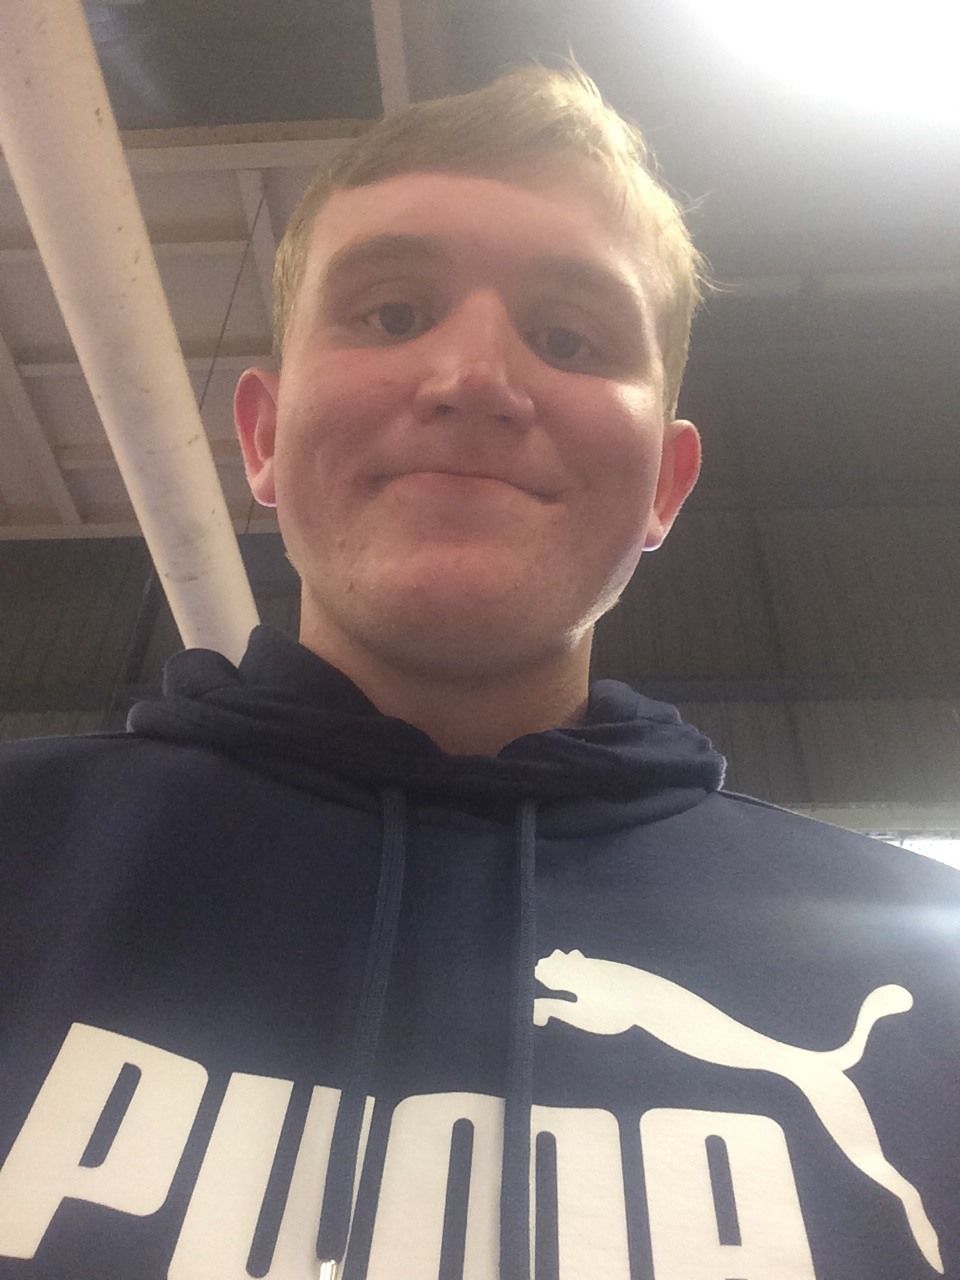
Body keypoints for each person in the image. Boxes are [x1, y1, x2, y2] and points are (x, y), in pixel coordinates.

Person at [0, 64, 956, 1280]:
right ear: (264, 437)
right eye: (393, 313)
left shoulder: (934, 974)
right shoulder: (23, 851)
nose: (474, 379)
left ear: (664, 487)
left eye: (568, 337)